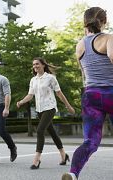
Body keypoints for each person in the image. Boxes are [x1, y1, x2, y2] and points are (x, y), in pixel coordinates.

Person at [62, 7, 113, 180]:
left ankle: (73, 173)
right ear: (104, 21)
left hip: (90, 95)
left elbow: (84, 73)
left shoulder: (80, 44)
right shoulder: (108, 38)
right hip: (110, 93)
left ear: (86, 22)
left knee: (90, 142)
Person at [16, 57, 75, 170]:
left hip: (50, 107)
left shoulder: (50, 78)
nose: (35, 66)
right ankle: (64, 155)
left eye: (37, 64)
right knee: (52, 132)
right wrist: (21, 102)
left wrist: (68, 106)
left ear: (43, 65)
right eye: (33, 65)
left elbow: (59, 93)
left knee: (39, 130)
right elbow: (30, 95)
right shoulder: (33, 80)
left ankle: (37, 159)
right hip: (39, 109)